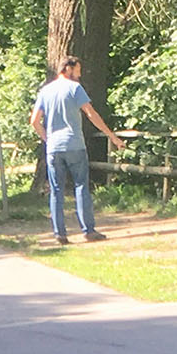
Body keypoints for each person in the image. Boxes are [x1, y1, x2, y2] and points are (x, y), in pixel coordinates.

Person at [30, 56, 125, 243]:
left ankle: (60, 233)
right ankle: (88, 230)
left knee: (56, 190)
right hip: (74, 145)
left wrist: (47, 139)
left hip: (54, 148)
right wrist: (112, 136)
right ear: (68, 69)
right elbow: (91, 114)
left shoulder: (45, 91)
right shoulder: (75, 89)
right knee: (81, 186)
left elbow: (34, 121)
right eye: (78, 70)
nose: (80, 74)